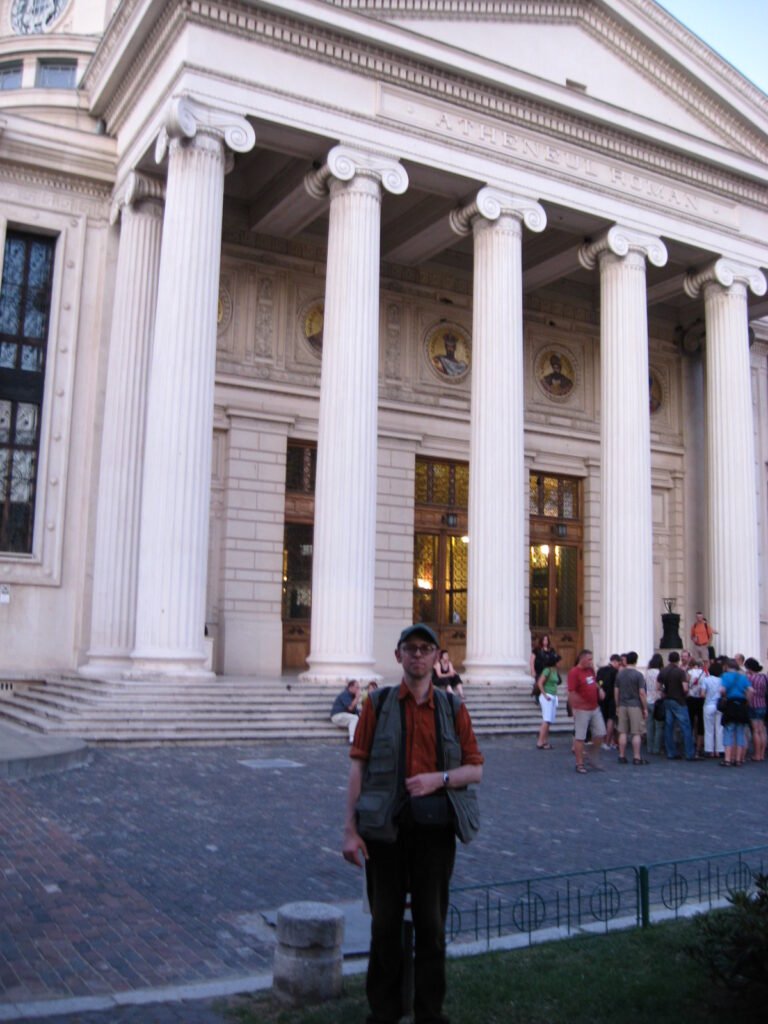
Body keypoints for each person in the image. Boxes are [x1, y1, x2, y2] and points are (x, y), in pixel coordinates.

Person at [342, 624, 484, 1024]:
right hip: (384, 833)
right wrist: (349, 830)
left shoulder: (453, 709)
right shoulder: (377, 704)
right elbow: (358, 767)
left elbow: (474, 771)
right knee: (384, 929)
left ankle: (429, 1014)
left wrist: (437, 780)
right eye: (410, 649)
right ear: (398, 656)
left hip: (434, 834)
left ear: (437, 656)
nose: (418, 656)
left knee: (432, 930)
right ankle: (383, 1013)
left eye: (425, 649)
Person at [567, 649, 606, 774]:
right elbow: (571, 692)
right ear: (582, 659)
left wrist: (600, 689)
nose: (591, 661)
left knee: (601, 732)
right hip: (581, 710)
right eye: (589, 659)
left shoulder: (590, 670)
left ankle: (591, 754)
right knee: (580, 737)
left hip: (594, 707)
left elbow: (594, 682)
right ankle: (579, 763)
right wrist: (573, 708)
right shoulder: (574, 672)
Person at [659, 651, 698, 761]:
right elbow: (685, 688)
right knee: (685, 727)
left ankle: (671, 752)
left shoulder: (664, 671)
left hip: (668, 700)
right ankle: (689, 753)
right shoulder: (680, 672)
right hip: (679, 701)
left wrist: (665, 692)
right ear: (678, 660)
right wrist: (685, 693)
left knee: (669, 727)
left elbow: (658, 686)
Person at [614, 651, 649, 765]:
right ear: (636, 661)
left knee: (622, 732)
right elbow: (642, 693)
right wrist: (645, 707)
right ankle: (636, 757)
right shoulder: (638, 675)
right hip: (635, 705)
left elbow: (616, 691)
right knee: (636, 732)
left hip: (623, 704)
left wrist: (617, 705)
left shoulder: (620, 674)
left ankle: (621, 755)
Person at [719, 659, 753, 768]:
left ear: (727, 666)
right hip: (741, 706)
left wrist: (724, 695)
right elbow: (751, 690)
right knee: (740, 733)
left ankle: (728, 759)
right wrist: (747, 701)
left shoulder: (725, 676)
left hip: (731, 705)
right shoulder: (743, 677)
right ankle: (738, 760)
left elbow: (722, 690)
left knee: (728, 732)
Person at [535, 651, 561, 750]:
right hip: (547, 696)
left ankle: (545, 741)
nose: (560, 663)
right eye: (558, 661)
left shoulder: (554, 671)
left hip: (553, 696)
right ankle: (540, 741)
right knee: (546, 719)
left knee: (549, 720)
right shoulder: (547, 670)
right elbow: (540, 683)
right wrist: (545, 695)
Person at [744, 657, 767, 762]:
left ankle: (757, 754)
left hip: (753, 705)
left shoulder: (750, 678)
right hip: (763, 704)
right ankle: (762, 754)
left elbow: (749, 692)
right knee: (762, 730)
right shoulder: (764, 677)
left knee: (755, 731)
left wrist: (747, 703)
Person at [596, 654, 620, 751]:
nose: (619, 665)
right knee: (611, 719)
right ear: (615, 661)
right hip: (612, 698)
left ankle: (602, 741)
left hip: (602, 698)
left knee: (603, 719)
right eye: (618, 663)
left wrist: (600, 690)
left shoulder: (601, 670)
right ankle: (608, 741)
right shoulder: (615, 672)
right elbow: (616, 687)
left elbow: (597, 682)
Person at [701, 660, 724, 758]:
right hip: (719, 705)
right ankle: (719, 750)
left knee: (708, 729)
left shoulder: (706, 680)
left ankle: (709, 750)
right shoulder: (722, 680)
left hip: (708, 704)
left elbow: (702, 694)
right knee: (719, 728)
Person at [644, 652, 664, 755]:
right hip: (657, 700)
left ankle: (649, 747)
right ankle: (656, 748)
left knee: (649, 725)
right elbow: (661, 687)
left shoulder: (647, 673)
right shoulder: (659, 673)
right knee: (659, 726)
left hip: (648, 699)